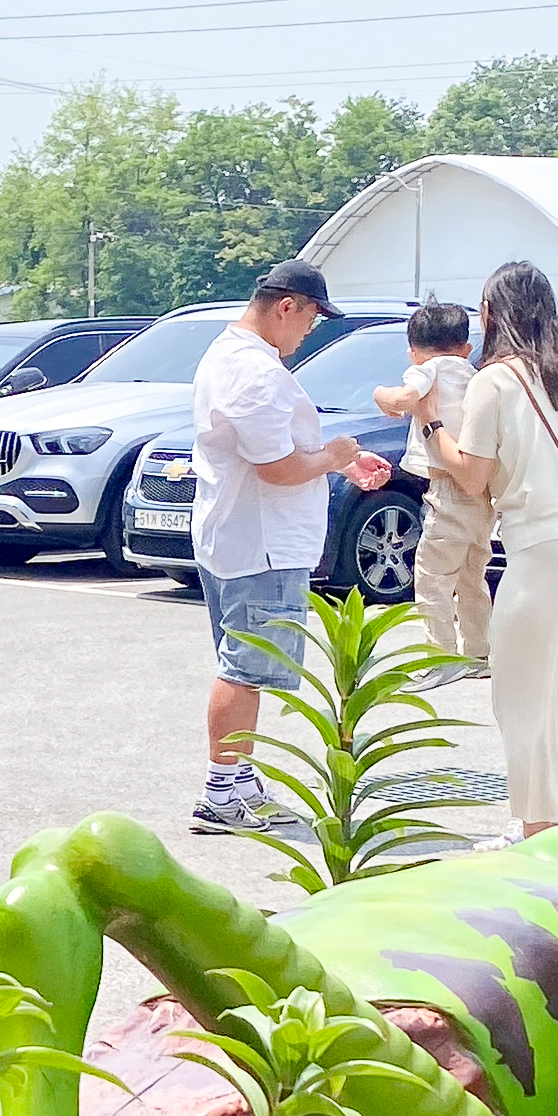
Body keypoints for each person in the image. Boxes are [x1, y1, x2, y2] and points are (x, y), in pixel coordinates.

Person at [186, 258, 389, 832]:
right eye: (309, 321)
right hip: (263, 544)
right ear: (286, 306)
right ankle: (222, 792)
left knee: (245, 664)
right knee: (245, 669)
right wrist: (335, 454)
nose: (308, 333)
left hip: (240, 535)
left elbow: (275, 451)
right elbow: (276, 468)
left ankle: (239, 782)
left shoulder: (231, 356)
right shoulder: (254, 372)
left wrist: (339, 464)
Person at [430, 259, 558, 837]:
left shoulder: (495, 380)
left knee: (520, 693)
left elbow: (473, 475)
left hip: (540, 548)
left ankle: (534, 829)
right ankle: (546, 819)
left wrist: (431, 423)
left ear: (489, 314)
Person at [373, 299, 487, 679]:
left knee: (432, 577)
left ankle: (439, 659)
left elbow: (404, 400)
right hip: (481, 493)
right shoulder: (474, 374)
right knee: (473, 577)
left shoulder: (428, 370)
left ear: (413, 350)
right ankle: (478, 655)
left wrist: (380, 394)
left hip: (447, 490)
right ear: (466, 346)